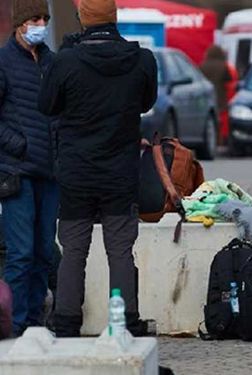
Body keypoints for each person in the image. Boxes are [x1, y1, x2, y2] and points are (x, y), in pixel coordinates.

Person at [38, 0, 157, 337]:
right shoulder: (142, 59)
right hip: (121, 172)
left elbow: (46, 105)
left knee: (74, 250)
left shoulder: (66, 61)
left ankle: (66, 323)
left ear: (83, 17)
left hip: (77, 173)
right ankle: (126, 321)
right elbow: (146, 103)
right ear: (114, 17)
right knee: (120, 250)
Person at [0, 0, 58, 336]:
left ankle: (35, 324)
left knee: (43, 254)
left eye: (45, 18)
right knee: (20, 254)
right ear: (20, 22)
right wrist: (16, 144)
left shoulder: (51, 62)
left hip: (50, 174)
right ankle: (15, 326)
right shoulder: (4, 61)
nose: (41, 24)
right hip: (17, 173)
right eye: (35, 18)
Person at [200, 45, 238, 145]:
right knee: (221, 120)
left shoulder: (202, 65)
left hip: (206, 96)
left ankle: (211, 140)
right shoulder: (224, 66)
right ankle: (221, 140)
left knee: (209, 119)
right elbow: (229, 79)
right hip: (220, 96)